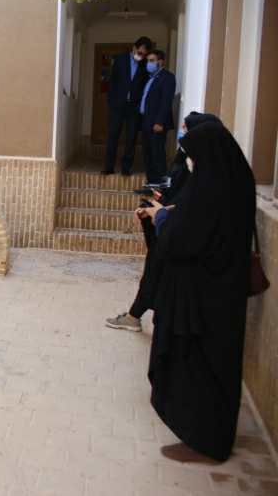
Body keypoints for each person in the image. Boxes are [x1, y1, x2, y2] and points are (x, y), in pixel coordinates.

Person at [143, 121, 256, 464]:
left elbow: (180, 241)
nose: (189, 161)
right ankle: (211, 435)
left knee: (198, 367)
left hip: (203, 302)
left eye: (191, 155)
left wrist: (161, 218)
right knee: (215, 366)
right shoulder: (233, 182)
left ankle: (205, 441)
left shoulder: (211, 190)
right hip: (220, 295)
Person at [105, 112, 222, 332]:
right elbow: (180, 194)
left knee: (159, 273)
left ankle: (136, 316)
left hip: (177, 238)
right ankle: (138, 316)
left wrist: (161, 212)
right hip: (168, 228)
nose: (183, 134)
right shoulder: (187, 160)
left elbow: (192, 207)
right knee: (156, 272)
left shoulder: (207, 173)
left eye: (186, 130)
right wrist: (159, 208)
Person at [101, 37, 152, 176]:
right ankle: (109, 166)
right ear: (134, 47)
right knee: (113, 136)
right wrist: (112, 101)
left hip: (134, 107)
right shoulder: (120, 59)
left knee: (131, 138)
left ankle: (126, 167)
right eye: (139, 53)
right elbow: (113, 81)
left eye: (144, 54)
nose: (141, 56)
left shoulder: (145, 64)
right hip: (118, 105)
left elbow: (144, 86)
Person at [139, 50, 176, 184]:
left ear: (160, 62)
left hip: (157, 124)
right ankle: (151, 184)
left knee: (157, 155)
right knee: (148, 155)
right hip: (146, 121)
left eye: (152, 60)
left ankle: (160, 186)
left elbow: (166, 102)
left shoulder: (167, 77)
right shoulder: (150, 78)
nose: (149, 63)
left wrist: (160, 122)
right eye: (148, 60)